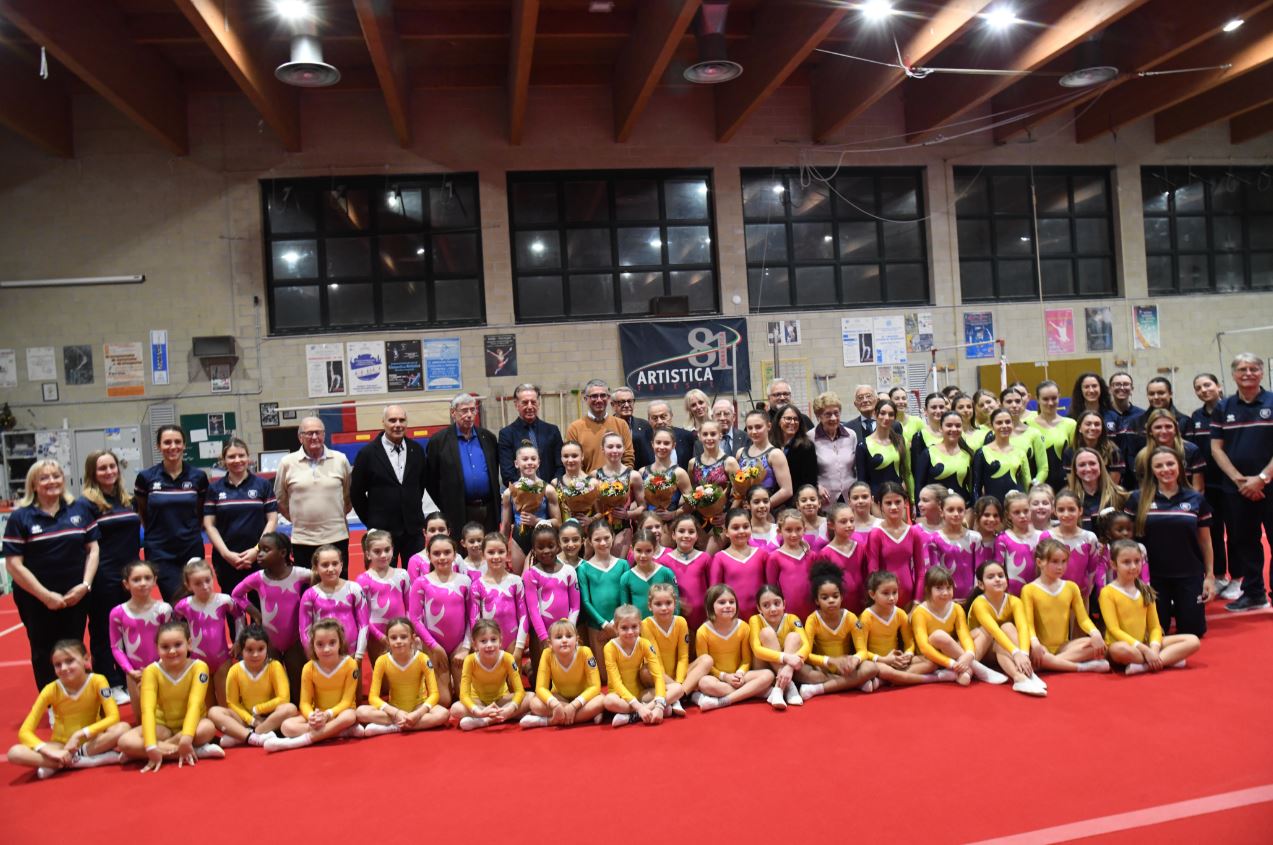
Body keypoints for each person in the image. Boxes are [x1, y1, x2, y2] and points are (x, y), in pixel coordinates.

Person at [3, 459, 100, 691]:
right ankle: (53, 704)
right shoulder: (21, 517)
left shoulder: (79, 509)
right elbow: (14, 565)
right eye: (44, 478)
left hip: (75, 595)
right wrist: (45, 596)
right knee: (43, 650)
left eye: (56, 476)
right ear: (33, 485)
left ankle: (79, 696)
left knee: (74, 645)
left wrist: (85, 586)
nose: (51, 481)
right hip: (36, 599)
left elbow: (93, 549)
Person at [7, 639, 129, 778]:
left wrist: (80, 734)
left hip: (92, 741)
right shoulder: (50, 690)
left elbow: (114, 717)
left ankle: (58, 763)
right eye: (58, 664)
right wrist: (47, 750)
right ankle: (82, 761)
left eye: (70, 661)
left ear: (86, 659)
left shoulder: (97, 681)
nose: (64, 668)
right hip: (61, 745)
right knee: (14, 753)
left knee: (123, 728)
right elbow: (25, 731)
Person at [1126, 447, 1215, 636]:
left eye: (1170, 464)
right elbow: (1128, 542)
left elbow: (1205, 541)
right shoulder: (1137, 499)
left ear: (1180, 467)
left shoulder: (1196, 498)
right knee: (1156, 631)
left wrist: (1209, 576)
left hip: (1189, 575)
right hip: (1153, 578)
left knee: (1193, 632)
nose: (1165, 469)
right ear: (1151, 470)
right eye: (1159, 466)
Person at [1210, 353, 1273, 613]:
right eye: (1242, 369)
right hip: (1236, 490)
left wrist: (1261, 479)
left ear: (1261, 372)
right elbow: (1216, 448)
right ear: (1234, 374)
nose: (1248, 373)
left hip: (1270, 486)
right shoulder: (1223, 407)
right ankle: (1254, 593)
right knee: (1244, 541)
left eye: (1253, 368)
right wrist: (1240, 481)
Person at [117, 619, 224, 769]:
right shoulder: (151, 671)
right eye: (165, 647)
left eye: (178, 645)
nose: (172, 651)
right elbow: (147, 710)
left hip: (194, 726)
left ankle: (152, 752)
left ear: (189, 644)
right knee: (125, 741)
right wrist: (150, 744)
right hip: (163, 727)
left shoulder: (199, 667)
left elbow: (195, 704)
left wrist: (186, 738)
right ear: (157, 648)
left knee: (208, 728)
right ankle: (193, 751)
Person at [78, 449, 141, 703]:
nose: (108, 472)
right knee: (103, 630)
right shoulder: (86, 504)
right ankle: (109, 680)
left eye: (112, 467)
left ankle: (124, 675)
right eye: (102, 468)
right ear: (92, 473)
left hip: (130, 574)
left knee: (127, 627)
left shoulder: (127, 500)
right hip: (103, 574)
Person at [1100, 540, 1201, 674]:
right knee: (1121, 650)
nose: (1133, 566)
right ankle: (1167, 660)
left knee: (1193, 640)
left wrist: (1153, 648)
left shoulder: (1145, 590)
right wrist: (1144, 649)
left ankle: (1145, 666)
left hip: (1146, 643)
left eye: (1137, 561)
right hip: (1123, 645)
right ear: (1113, 564)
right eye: (1126, 562)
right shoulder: (1107, 592)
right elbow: (1114, 629)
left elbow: (1155, 627)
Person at [134, 426, 208, 600]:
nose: (172, 446)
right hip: (160, 551)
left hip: (191, 547)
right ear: (159, 446)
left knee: (195, 599)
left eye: (177, 442)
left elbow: (200, 510)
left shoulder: (198, 476)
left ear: (184, 445)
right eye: (167, 442)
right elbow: (143, 511)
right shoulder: (146, 478)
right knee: (175, 599)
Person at [229, 532, 310, 692]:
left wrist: (308, 610)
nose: (260, 554)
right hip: (270, 641)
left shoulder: (299, 574)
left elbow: (318, 580)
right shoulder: (258, 578)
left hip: (294, 640)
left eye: (266, 550)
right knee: (273, 686)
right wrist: (256, 615)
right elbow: (236, 595)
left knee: (297, 687)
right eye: (259, 550)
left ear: (283, 553)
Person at [350, 405, 428, 569]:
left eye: (402, 420)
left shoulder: (417, 450)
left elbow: (419, 486)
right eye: (392, 420)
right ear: (383, 422)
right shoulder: (367, 454)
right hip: (382, 533)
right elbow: (356, 493)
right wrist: (372, 521)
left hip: (413, 531)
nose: (397, 424)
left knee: (416, 580)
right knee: (384, 581)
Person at [265, 619, 361, 751]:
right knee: (286, 726)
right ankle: (339, 732)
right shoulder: (309, 668)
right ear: (313, 646)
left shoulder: (350, 664)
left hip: (339, 713)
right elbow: (304, 703)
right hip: (319, 716)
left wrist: (327, 715)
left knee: (350, 716)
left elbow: (347, 701)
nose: (326, 649)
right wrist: (312, 717)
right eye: (320, 644)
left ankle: (301, 741)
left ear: (340, 643)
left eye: (332, 643)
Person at [274, 417, 352, 577]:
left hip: (337, 537)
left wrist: (334, 517)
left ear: (324, 434)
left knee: (339, 584)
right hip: (303, 540)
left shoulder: (340, 459)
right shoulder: (287, 463)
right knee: (307, 587)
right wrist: (298, 519)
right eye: (309, 433)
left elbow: (348, 495)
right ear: (300, 437)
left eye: (318, 432)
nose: (314, 437)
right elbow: (280, 499)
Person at [910, 566, 1009, 687]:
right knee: (939, 636)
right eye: (939, 588)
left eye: (948, 588)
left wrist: (969, 654)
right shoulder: (919, 613)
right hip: (931, 657)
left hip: (953, 653)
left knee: (984, 632)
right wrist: (950, 663)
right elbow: (924, 647)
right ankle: (977, 668)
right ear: (928, 590)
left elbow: (964, 635)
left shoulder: (956, 608)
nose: (945, 592)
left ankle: (964, 667)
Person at [1022, 540, 1109, 674]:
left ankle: (1051, 663)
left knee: (1097, 644)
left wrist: (1095, 633)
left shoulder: (1071, 587)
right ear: (1039, 563)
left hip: (1064, 646)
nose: (1060, 566)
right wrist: (1034, 643)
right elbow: (1028, 624)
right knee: (1040, 653)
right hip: (1041, 647)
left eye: (1064, 561)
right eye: (1055, 561)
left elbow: (1083, 619)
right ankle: (1082, 667)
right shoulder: (1029, 589)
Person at [203, 438, 278, 595]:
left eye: (241, 455)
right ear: (223, 460)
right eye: (231, 457)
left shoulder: (262, 485)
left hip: (259, 557)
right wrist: (226, 554)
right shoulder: (214, 488)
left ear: (248, 457)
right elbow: (209, 524)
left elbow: (272, 519)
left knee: (260, 604)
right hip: (227, 560)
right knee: (232, 604)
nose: (237, 460)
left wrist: (257, 550)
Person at [964, 561, 1048, 696]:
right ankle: (1018, 677)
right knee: (988, 631)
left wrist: (1024, 654)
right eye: (990, 577)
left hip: (1001, 651)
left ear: (1007, 581)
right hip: (979, 652)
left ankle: (1026, 672)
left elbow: (1023, 628)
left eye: (1001, 576)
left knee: (1008, 626)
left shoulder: (1015, 601)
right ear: (980, 584)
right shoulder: (980, 602)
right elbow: (994, 631)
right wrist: (1016, 653)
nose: (997, 579)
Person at [797, 562, 879, 700]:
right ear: (817, 600)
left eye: (835, 596)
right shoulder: (813, 619)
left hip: (847, 668)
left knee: (872, 668)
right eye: (825, 598)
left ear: (841, 597)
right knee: (799, 672)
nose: (831, 601)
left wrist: (855, 660)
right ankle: (855, 683)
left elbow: (862, 650)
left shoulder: (850, 617)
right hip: (823, 669)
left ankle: (819, 689)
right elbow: (807, 654)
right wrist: (831, 661)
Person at [208, 624, 298, 748]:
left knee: (290, 708)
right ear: (242, 650)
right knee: (214, 712)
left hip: (270, 718)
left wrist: (259, 710)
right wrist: (251, 720)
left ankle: (250, 735)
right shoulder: (235, 670)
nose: (255, 655)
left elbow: (283, 698)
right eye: (249, 650)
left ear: (267, 648)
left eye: (260, 649)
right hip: (245, 719)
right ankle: (253, 736)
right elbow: (232, 703)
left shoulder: (274, 666)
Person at [355, 617, 450, 736]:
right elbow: (373, 697)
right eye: (393, 638)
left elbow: (434, 694)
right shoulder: (382, 661)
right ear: (388, 640)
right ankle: (410, 724)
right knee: (360, 712)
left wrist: (418, 713)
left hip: (418, 706)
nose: (398, 641)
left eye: (403, 637)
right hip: (395, 707)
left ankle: (394, 727)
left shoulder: (422, 659)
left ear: (412, 638)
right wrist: (396, 712)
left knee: (443, 714)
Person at [425, 394, 501, 536]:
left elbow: (494, 471)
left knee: (488, 550)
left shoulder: (488, 438)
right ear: (453, 413)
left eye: (472, 410)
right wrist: (446, 503)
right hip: (457, 510)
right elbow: (430, 480)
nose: (469, 415)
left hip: (489, 509)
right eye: (464, 410)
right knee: (461, 552)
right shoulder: (438, 441)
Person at [409, 534, 472, 706]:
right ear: (429, 556)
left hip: (459, 645)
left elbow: (471, 617)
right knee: (444, 701)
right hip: (434, 645)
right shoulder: (421, 583)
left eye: (447, 552)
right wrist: (433, 646)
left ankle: (453, 680)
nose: (442, 557)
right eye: (436, 553)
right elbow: (414, 618)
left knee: (463, 697)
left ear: (454, 555)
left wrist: (466, 647)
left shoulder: (465, 581)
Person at [692, 584, 775, 711]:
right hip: (718, 678)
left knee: (768, 675)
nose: (728, 605)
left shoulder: (743, 627)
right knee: (704, 683)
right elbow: (706, 666)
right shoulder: (703, 631)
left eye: (732, 602)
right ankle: (754, 691)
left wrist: (740, 674)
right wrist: (725, 677)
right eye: (722, 602)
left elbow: (746, 660)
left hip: (739, 676)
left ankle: (724, 700)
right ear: (711, 606)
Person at [173, 558, 240, 706]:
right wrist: (182, 647)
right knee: (209, 707)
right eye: (197, 583)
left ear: (213, 577)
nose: (205, 586)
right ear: (188, 585)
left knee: (227, 705)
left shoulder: (224, 600)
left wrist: (238, 640)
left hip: (222, 658)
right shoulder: (184, 606)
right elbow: (173, 627)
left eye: (207, 580)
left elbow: (239, 616)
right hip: (198, 661)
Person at [1190, 372, 1234, 600]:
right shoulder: (1196, 416)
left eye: (1207, 385)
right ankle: (1219, 575)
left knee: (1235, 531)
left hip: (1231, 481)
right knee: (1214, 531)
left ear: (1218, 385)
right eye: (1198, 387)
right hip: (1208, 484)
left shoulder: (1231, 409)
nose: (1204, 390)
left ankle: (1237, 577)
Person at [521, 618, 605, 729]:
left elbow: (595, 686)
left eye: (569, 636)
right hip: (560, 697)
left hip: (583, 698)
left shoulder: (585, 652)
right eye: (559, 637)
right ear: (550, 643)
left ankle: (547, 721)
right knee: (534, 703)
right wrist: (554, 704)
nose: (564, 640)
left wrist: (574, 705)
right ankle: (585, 716)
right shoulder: (547, 654)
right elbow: (540, 688)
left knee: (601, 700)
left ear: (576, 640)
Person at [451, 618, 529, 730]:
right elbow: (464, 695)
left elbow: (520, 691)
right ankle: (503, 717)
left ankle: (486, 721)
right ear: (475, 645)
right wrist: (478, 711)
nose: (489, 645)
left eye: (493, 640)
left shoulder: (508, 658)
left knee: (531, 697)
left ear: (500, 641)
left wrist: (511, 708)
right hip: (478, 701)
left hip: (501, 700)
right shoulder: (470, 660)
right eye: (483, 641)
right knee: (455, 708)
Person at [298, 546, 370, 665]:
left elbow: (363, 624)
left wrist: (359, 654)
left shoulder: (354, 588)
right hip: (323, 655)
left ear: (341, 565)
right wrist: (313, 655)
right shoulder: (310, 595)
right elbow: (304, 630)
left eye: (335, 564)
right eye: (325, 565)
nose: (330, 569)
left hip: (352, 654)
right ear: (316, 567)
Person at [748, 583, 813, 709]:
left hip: (788, 671)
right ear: (759, 608)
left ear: (784, 604)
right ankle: (790, 687)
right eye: (766, 605)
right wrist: (786, 658)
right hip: (763, 668)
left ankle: (779, 689)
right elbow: (756, 650)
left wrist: (788, 667)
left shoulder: (792, 618)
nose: (772, 609)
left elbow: (806, 646)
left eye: (777, 603)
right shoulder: (755, 620)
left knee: (794, 636)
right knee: (767, 633)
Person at [602, 604, 668, 727]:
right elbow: (616, 683)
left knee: (676, 689)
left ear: (640, 625)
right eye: (624, 628)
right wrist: (639, 707)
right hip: (620, 697)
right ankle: (648, 710)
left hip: (642, 694)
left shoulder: (644, 644)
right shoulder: (609, 648)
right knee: (608, 701)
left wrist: (659, 706)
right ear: (616, 628)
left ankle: (632, 716)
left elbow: (658, 675)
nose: (630, 632)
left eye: (634, 627)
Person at [866, 482, 928, 609]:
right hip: (884, 599)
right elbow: (873, 572)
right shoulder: (876, 534)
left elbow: (921, 571)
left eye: (897, 502)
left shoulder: (914, 532)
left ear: (905, 502)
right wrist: (879, 601)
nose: (893, 507)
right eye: (888, 503)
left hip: (909, 599)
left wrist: (916, 601)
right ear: (880, 505)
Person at [469, 533, 528, 665]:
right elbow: (475, 619)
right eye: (491, 552)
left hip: (512, 642)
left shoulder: (516, 581)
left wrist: (519, 647)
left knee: (515, 683)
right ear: (483, 555)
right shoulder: (477, 585)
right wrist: (479, 644)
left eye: (501, 552)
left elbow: (524, 615)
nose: (496, 556)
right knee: (492, 684)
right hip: (488, 643)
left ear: (508, 554)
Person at [356, 530, 411, 668]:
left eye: (387, 550)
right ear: (368, 554)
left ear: (393, 550)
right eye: (377, 551)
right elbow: (363, 615)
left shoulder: (402, 575)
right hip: (376, 636)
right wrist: (379, 636)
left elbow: (410, 607)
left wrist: (408, 629)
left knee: (404, 674)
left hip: (401, 632)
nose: (383, 555)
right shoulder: (363, 580)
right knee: (385, 681)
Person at [498, 383, 564, 487]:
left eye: (533, 402)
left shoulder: (552, 431)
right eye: (525, 402)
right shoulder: (506, 434)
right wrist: (529, 490)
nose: (530, 406)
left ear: (538, 403)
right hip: (522, 496)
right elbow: (507, 473)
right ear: (516, 404)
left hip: (551, 492)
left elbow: (560, 465)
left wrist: (552, 486)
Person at [565, 379, 635, 472]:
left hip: (618, 484)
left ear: (608, 398)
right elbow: (574, 462)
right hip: (588, 484)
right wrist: (586, 484)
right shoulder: (574, 428)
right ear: (586, 399)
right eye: (594, 396)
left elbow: (628, 457)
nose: (599, 400)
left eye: (603, 395)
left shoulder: (621, 425)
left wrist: (622, 480)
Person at [711, 509, 769, 620]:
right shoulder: (719, 558)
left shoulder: (762, 554)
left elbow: (771, 587)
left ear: (751, 528)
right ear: (726, 532)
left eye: (746, 526)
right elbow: (714, 592)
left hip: (761, 617)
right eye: (735, 528)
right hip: (732, 619)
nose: (741, 531)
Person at [926, 492, 981, 601]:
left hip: (972, 597)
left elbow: (979, 570)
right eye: (951, 510)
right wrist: (944, 595)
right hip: (944, 597)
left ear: (965, 512)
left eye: (960, 510)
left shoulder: (975, 538)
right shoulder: (934, 539)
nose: (956, 514)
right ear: (942, 512)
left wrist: (974, 597)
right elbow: (935, 573)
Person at [996, 490, 1050, 595]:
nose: (1022, 515)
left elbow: (1048, 567)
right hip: (1013, 594)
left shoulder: (1043, 536)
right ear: (1008, 515)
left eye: (1026, 511)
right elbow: (999, 569)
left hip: (1040, 592)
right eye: (1016, 512)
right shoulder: (1003, 539)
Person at [912, 411, 974, 503]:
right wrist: (919, 513)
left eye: (958, 426)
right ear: (941, 428)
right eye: (949, 425)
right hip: (934, 509)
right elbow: (919, 485)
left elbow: (972, 487)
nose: (954, 429)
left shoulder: (968, 454)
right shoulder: (928, 453)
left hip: (960, 509)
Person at [973, 409, 1032, 503]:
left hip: (1016, 507)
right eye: (999, 423)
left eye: (1008, 422)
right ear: (992, 426)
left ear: (1012, 424)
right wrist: (978, 509)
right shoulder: (982, 452)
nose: (1004, 426)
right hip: (993, 508)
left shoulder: (1020, 452)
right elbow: (976, 487)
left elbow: (1027, 484)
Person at [1028, 381, 1077, 492]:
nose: (1050, 403)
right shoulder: (1027, 424)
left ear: (1059, 396)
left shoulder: (1070, 424)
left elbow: (1074, 458)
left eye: (1054, 398)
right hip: (1036, 487)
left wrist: (1071, 486)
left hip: (1064, 487)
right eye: (1045, 399)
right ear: (1037, 399)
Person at [856, 399, 909, 500]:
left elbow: (907, 472)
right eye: (883, 413)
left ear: (895, 417)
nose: (886, 418)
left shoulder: (900, 441)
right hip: (875, 499)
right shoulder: (863, 445)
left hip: (898, 497)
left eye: (891, 414)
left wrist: (910, 498)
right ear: (875, 414)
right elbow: (862, 480)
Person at [1063, 410, 1125, 486]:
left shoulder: (1113, 451)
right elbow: (1073, 485)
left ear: (1102, 429)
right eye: (1088, 424)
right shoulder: (1070, 452)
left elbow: (1112, 486)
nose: (1093, 428)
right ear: (1079, 428)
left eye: (1097, 424)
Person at [641, 400, 696, 471]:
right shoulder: (642, 440)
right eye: (655, 418)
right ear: (649, 420)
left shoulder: (686, 436)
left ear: (671, 416)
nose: (659, 421)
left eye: (663, 417)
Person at [610, 386, 653, 469]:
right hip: (616, 474)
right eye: (622, 402)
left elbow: (650, 454)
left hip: (641, 475)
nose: (626, 405)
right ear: (613, 404)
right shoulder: (607, 426)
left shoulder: (644, 425)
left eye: (630, 401)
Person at [1107, 371, 1145, 455]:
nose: (1122, 387)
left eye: (1126, 384)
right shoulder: (1102, 415)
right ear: (1110, 389)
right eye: (1117, 384)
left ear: (1132, 389)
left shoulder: (1143, 416)